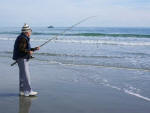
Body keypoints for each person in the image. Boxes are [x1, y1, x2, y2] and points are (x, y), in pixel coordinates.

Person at [13, 24, 40, 96]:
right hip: (22, 58)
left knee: (22, 75)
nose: (31, 32)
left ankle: (22, 91)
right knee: (25, 75)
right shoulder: (23, 38)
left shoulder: (22, 37)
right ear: (26, 32)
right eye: (30, 31)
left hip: (20, 58)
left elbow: (24, 48)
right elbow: (21, 49)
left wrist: (34, 49)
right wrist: (29, 51)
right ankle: (28, 91)